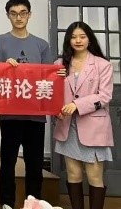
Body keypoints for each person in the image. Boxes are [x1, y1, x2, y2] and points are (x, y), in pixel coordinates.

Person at [0, 0, 55, 209]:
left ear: (29, 15)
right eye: (14, 13)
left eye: (23, 13)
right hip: (10, 113)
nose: (18, 17)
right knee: (8, 162)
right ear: (7, 15)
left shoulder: (42, 45)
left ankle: (33, 202)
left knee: (34, 164)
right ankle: (7, 203)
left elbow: (48, 78)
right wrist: (3, 67)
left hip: (35, 114)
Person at [54, 21, 113, 209]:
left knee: (95, 176)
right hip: (67, 126)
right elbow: (52, 93)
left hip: (93, 128)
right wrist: (56, 110)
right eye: (73, 37)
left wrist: (76, 105)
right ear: (68, 40)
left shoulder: (102, 64)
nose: (78, 40)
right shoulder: (59, 64)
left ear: (89, 39)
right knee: (73, 174)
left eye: (82, 36)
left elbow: (105, 96)